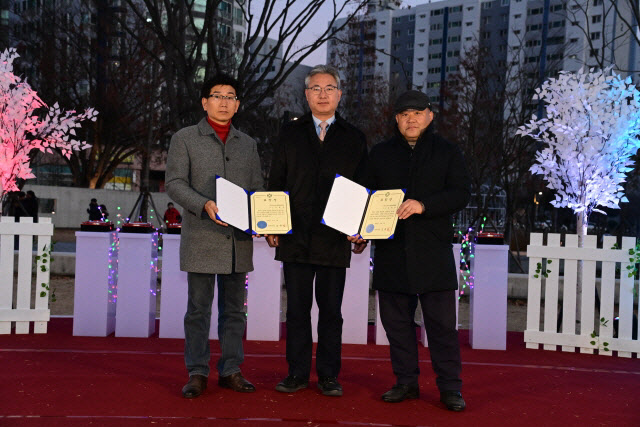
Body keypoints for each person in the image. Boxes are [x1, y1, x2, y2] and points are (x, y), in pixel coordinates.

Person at [364, 90, 471, 411]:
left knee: (441, 328)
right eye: (404, 114)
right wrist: (359, 231)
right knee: (397, 328)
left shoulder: (448, 152)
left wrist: (424, 205)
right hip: (391, 253)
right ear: (396, 119)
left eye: (417, 113)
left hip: (433, 253)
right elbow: (366, 198)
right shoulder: (380, 154)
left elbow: (460, 194)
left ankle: (450, 388)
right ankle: (405, 382)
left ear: (429, 116)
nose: (411, 119)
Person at [267, 64, 368, 397]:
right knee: (296, 310)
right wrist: (272, 224)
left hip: (334, 238)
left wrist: (362, 230)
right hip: (295, 235)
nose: (322, 95)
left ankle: (328, 375)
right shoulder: (289, 133)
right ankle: (296, 373)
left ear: (339, 94)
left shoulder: (354, 137)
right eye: (315, 88)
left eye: (329, 88)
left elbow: (363, 189)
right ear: (306, 94)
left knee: (331, 313)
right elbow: (276, 183)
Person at [166, 74, 264, 399]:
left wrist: (264, 218)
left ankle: (231, 370)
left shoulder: (248, 144)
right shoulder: (185, 138)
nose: (224, 102)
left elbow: (258, 192)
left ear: (238, 105)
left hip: (239, 242)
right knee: (198, 311)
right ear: (204, 101)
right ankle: (196, 372)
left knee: (235, 311)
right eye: (217, 95)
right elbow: (175, 183)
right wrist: (203, 203)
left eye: (230, 96)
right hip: (202, 238)